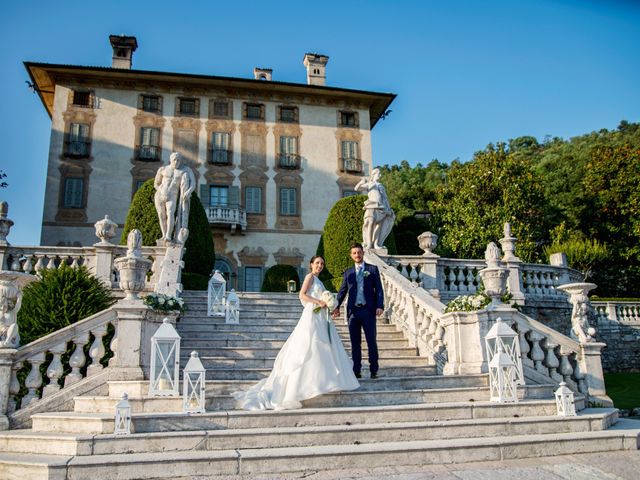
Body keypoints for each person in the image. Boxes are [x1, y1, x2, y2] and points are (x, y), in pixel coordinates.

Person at [233, 256, 359, 410]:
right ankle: (302, 386)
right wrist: (319, 302)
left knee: (323, 346)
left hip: (321, 316)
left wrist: (328, 305)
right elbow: (302, 295)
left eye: (322, 264)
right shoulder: (309, 277)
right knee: (310, 344)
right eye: (317, 263)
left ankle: (322, 381)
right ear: (311, 264)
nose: (320, 265)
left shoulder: (319, 281)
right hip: (312, 315)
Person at [332, 243, 384, 379]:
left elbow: (378, 289)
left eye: (359, 252)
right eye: (354, 253)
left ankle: (374, 370)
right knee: (355, 343)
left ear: (363, 253)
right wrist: (336, 306)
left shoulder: (372, 269)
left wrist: (380, 305)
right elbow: (342, 291)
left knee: (371, 341)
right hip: (353, 312)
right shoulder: (348, 272)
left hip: (368, 311)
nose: (357, 255)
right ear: (351, 255)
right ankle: (356, 370)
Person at [153, 152, 196, 243]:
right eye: (175, 160)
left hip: (173, 195)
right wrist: (160, 189)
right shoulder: (163, 169)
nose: (176, 162)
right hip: (160, 195)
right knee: (161, 215)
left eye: (178, 160)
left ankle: (168, 235)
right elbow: (156, 183)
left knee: (170, 213)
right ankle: (163, 234)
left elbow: (193, 183)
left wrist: (188, 192)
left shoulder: (184, 171)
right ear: (170, 160)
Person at [355, 168, 395, 250]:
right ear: (373, 175)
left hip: (381, 208)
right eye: (378, 174)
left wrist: (388, 209)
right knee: (370, 224)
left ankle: (376, 244)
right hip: (371, 207)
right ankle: (369, 243)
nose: (380, 176)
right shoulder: (370, 184)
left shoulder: (381, 185)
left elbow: (385, 198)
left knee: (378, 227)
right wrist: (361, 182)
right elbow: (356, 188)